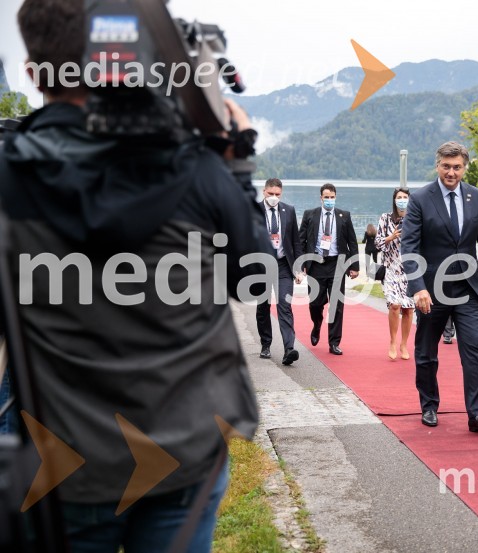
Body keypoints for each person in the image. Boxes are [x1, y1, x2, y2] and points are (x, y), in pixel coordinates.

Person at [0, 0, 271, 550]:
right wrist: (237, 164)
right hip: (182, 455)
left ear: (34, 72)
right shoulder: (197, 171)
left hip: (58, 465)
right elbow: (255, 279)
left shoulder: (11, 173)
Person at [401, 141, 478, 432]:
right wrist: (418, 287)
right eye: (446, 166)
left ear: (465, 167)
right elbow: (409, 246)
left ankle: (477, 414)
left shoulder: (477, 197)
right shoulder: (420, 199)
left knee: (474, 349)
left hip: (469, 289)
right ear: (437, 166)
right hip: (431, 291)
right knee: (427, 352)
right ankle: (429, 405)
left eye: (457, 167)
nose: (451, 172)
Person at [299, 183, 359, 355]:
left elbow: (352, 242)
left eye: (332, 197)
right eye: (327, 197)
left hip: (337, 264)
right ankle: (317, 324)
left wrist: (354, 266)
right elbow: (301, 241)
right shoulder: (310, 215)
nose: (330, 200)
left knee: (337, 305)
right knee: (315, 303)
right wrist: (301, 263)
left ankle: (334, 342)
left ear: (335, 197)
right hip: (316, 264)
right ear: (321, 198)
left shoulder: (344, 216)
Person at [256, 178, 303, 365]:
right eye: (270, 194)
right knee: (263, 307)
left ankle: (289, 349)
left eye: (277, 194)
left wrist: (298, 268)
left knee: (285, 305)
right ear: (264, 192)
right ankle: (266, 344)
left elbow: (296, 242)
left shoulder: (289, 210)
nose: (274, 197)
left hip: (283, 265)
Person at [376, 188, 415, 360]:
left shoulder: (414, 218)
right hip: (391, 268)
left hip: (410, 269)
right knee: (394, 305)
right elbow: (377, 243)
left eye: (405, 197)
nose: (402, 200)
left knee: (408, 308)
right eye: (399, 197)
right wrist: (390, 237)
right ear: (394, 200)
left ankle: (404, 343)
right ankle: (392, 341)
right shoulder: (385, 218)